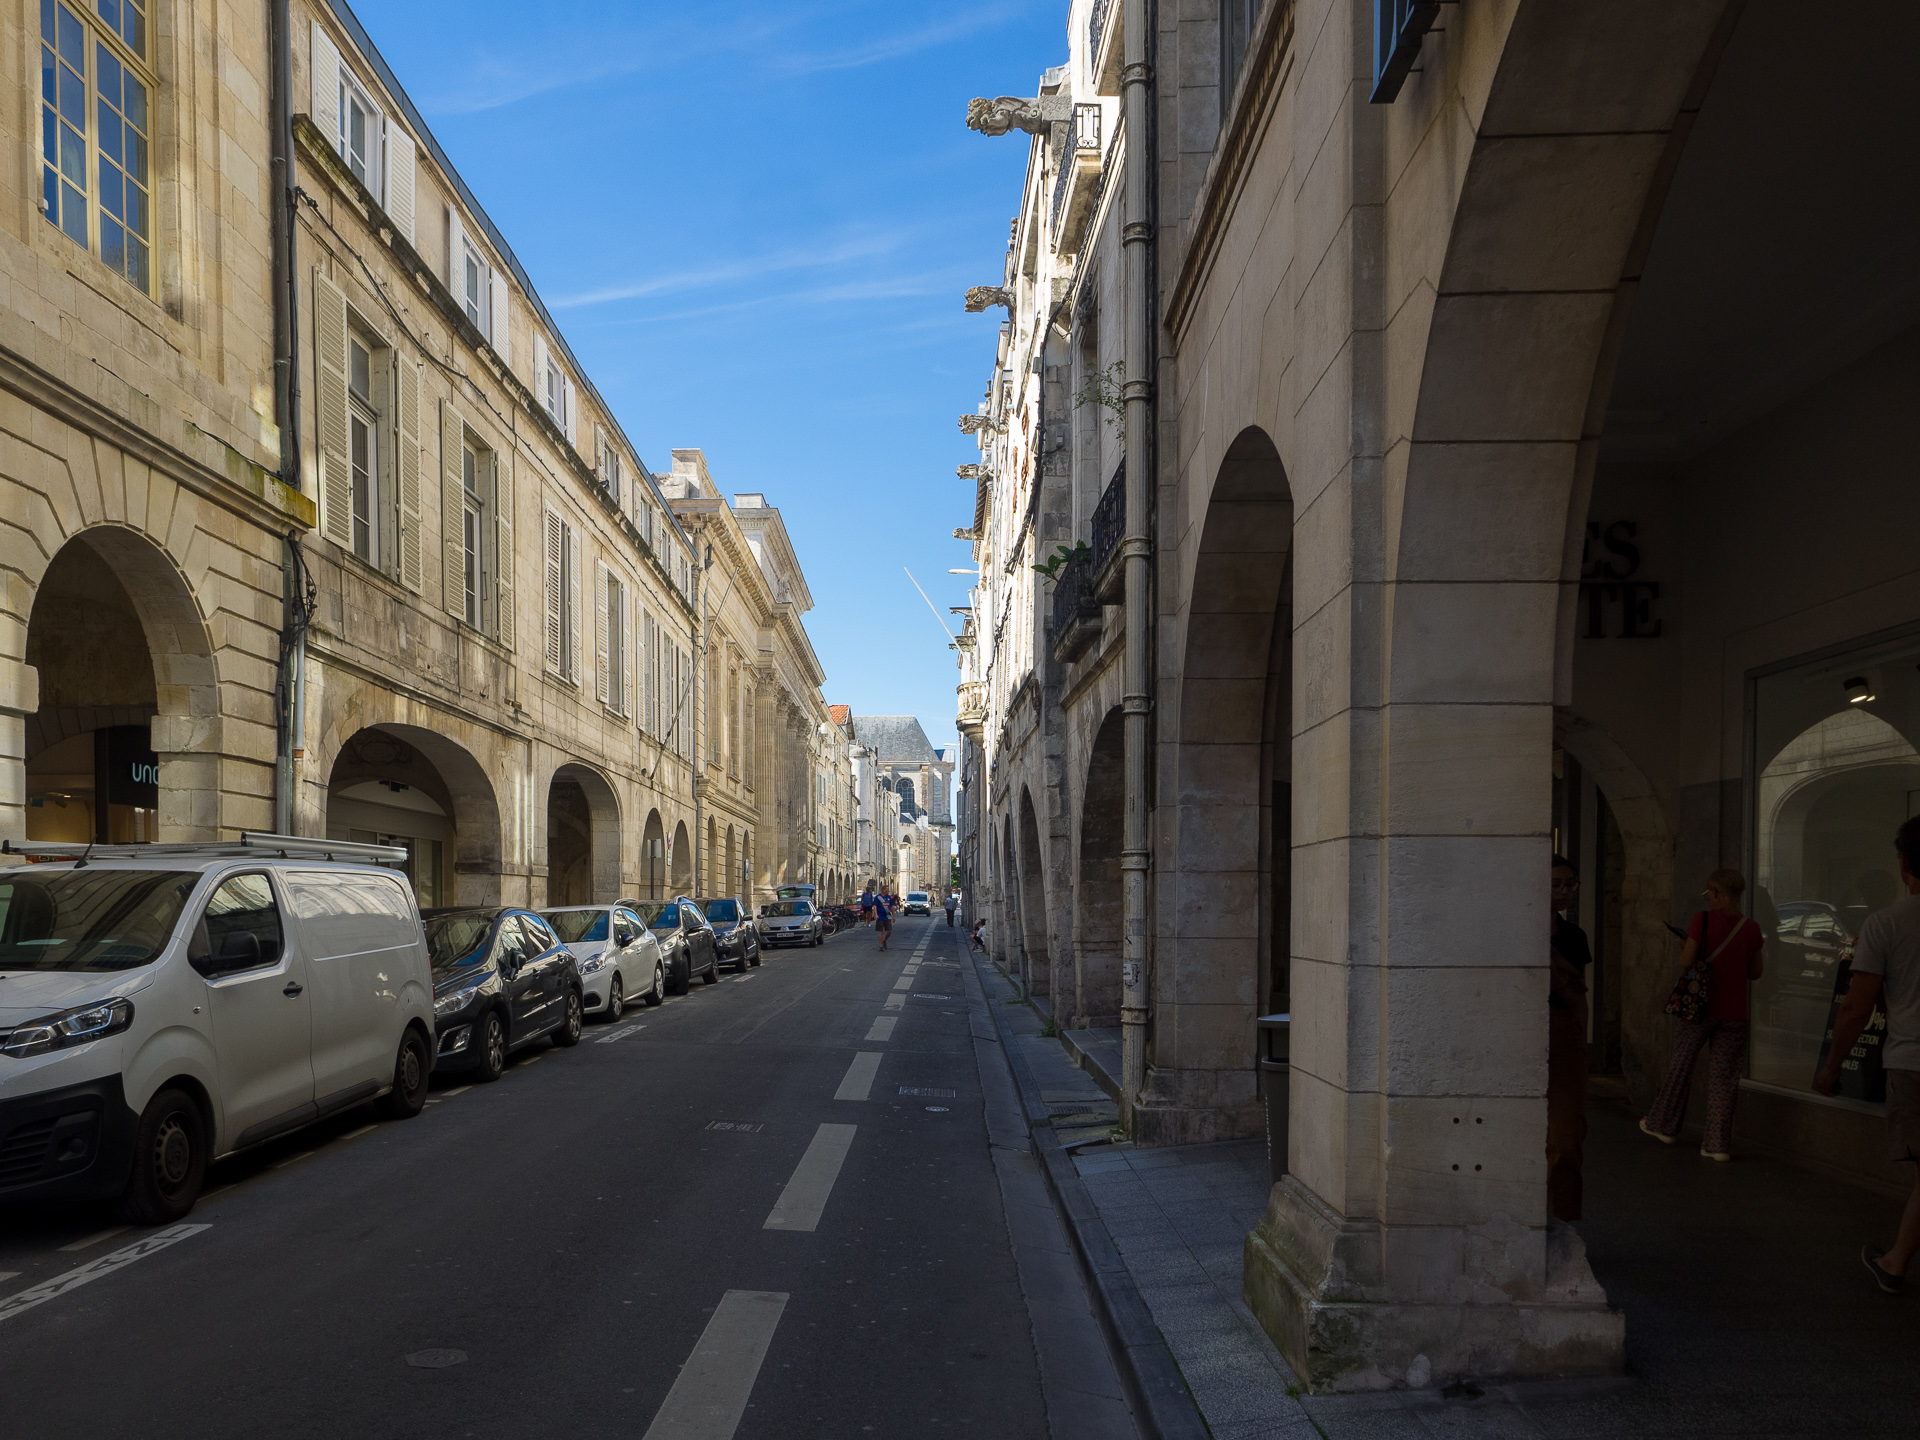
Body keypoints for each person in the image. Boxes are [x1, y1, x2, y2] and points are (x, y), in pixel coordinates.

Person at [1817, 815, 1920, 1295]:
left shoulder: (1885, 924)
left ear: (1904, 863)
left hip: (1913, 1061)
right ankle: (1895, 1260)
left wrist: (1831, 1067)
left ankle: (1895, 1263)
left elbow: (1857, 1008)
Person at [1641, 868, 1764, 1161]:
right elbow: (1755, 972)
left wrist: (1687, 945)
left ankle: (1664, 1125)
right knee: (1725, 1078)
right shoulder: (1751, 927)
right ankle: (1716, 1145)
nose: (1708, 898)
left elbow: (1686, 962)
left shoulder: (1703, 920)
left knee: (1682, 1065)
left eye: (1709, 893)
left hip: (1699, 1008)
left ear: (1717, 893)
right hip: (1735, 1013)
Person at [1547, 855, 1593, 1222]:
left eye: (1569, 884)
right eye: (1556, 884)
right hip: (1520, 1031)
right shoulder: (1516, 930)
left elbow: (1580, 994)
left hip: (1563, 1033)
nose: (1565, 891)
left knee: (1566, 1136)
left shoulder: (1574, 936)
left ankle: (1560, 1221)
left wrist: (1580, 1039)